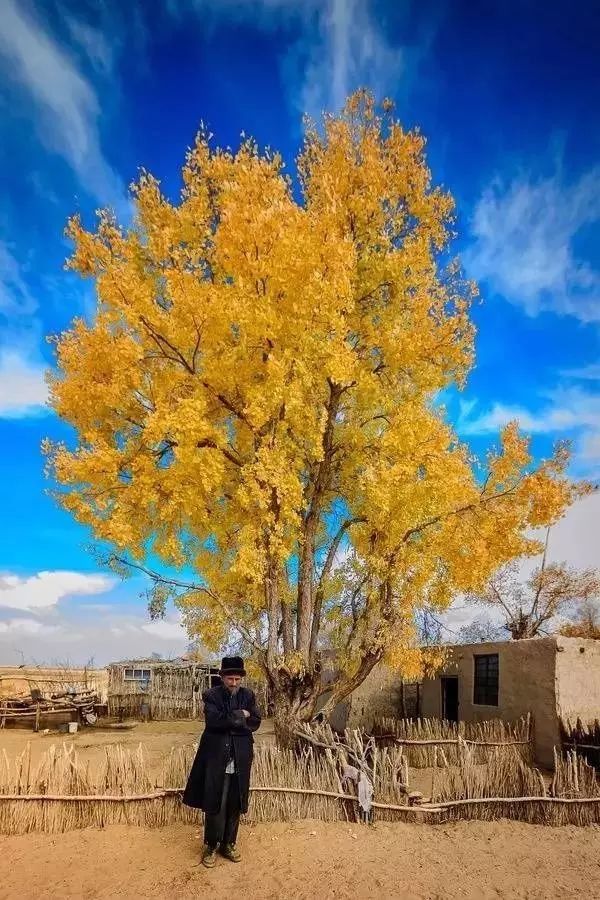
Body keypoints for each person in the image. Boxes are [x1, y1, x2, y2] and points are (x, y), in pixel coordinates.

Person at [183, 656, 261, 867]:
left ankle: (229, 844)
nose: (234, 683)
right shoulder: (211, 695)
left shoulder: (248, 695)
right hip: (217, 756)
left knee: (235, 803)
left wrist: (236, 718)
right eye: (230, 678)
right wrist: (240, 715)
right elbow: (214, 721)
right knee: (215, 802)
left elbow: (255, 721)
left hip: (240, 756)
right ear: (222, 677)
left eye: (237, 679)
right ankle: (211, 845)